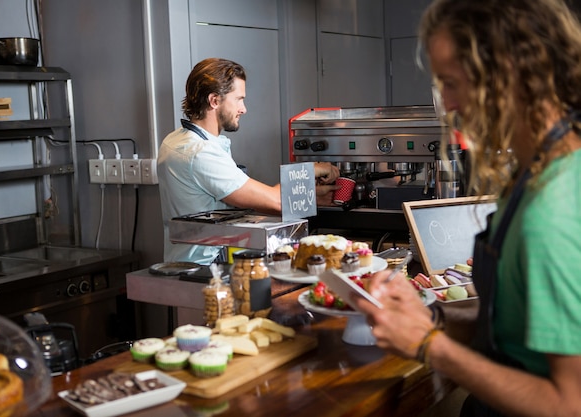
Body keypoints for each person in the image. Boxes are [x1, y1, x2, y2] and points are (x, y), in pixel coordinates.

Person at [352, 0, 581, 416]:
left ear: (510, 75)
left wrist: (428, 346)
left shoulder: (553, 212)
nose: (449, 105)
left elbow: (569, 403)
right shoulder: (542, 170)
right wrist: (433, 317)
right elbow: (514, 323)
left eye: (452, 84)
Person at [157, 57, 340, 264]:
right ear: (214, 101)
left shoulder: (177, 140)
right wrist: (313, 169)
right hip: (208, 266)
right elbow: (276, 201)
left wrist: (311, 194)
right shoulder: (199, 152)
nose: (244, 109)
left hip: (187, 258)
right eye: (239, 99)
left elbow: (238, 200)